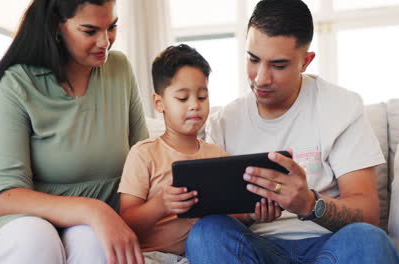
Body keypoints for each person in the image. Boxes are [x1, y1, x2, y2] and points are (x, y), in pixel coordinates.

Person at [185, 0, 399, 263]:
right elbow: (220, 215)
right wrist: (252, 214)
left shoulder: (342, 107)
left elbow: (368, 214)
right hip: (256, 247)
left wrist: (310, 204)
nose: (261, 78)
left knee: (369, 240)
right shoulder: (224, 122)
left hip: (330, 247)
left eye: (278, 65)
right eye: (253, 60)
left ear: (305, 61)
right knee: (206, 233)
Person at [0, 0, 147, 263]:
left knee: (95, 244)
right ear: (56, 26)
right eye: (90, 31)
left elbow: (144, 165)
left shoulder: (120, 70)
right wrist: (93, 210)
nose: (105, 42)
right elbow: (6, 197)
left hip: (95, 225)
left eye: (112, 26)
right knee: (36, 237)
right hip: (23, 223)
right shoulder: (17, 83)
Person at [118, 44, 281, 263]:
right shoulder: (144, 154)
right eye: (183, 99)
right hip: (150, 257)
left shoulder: (217, 156)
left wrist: (253, 215)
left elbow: (233, 216)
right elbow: (126, 221)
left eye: (202, 97)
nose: (195, 105)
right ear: (159, 103)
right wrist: (161, 204)